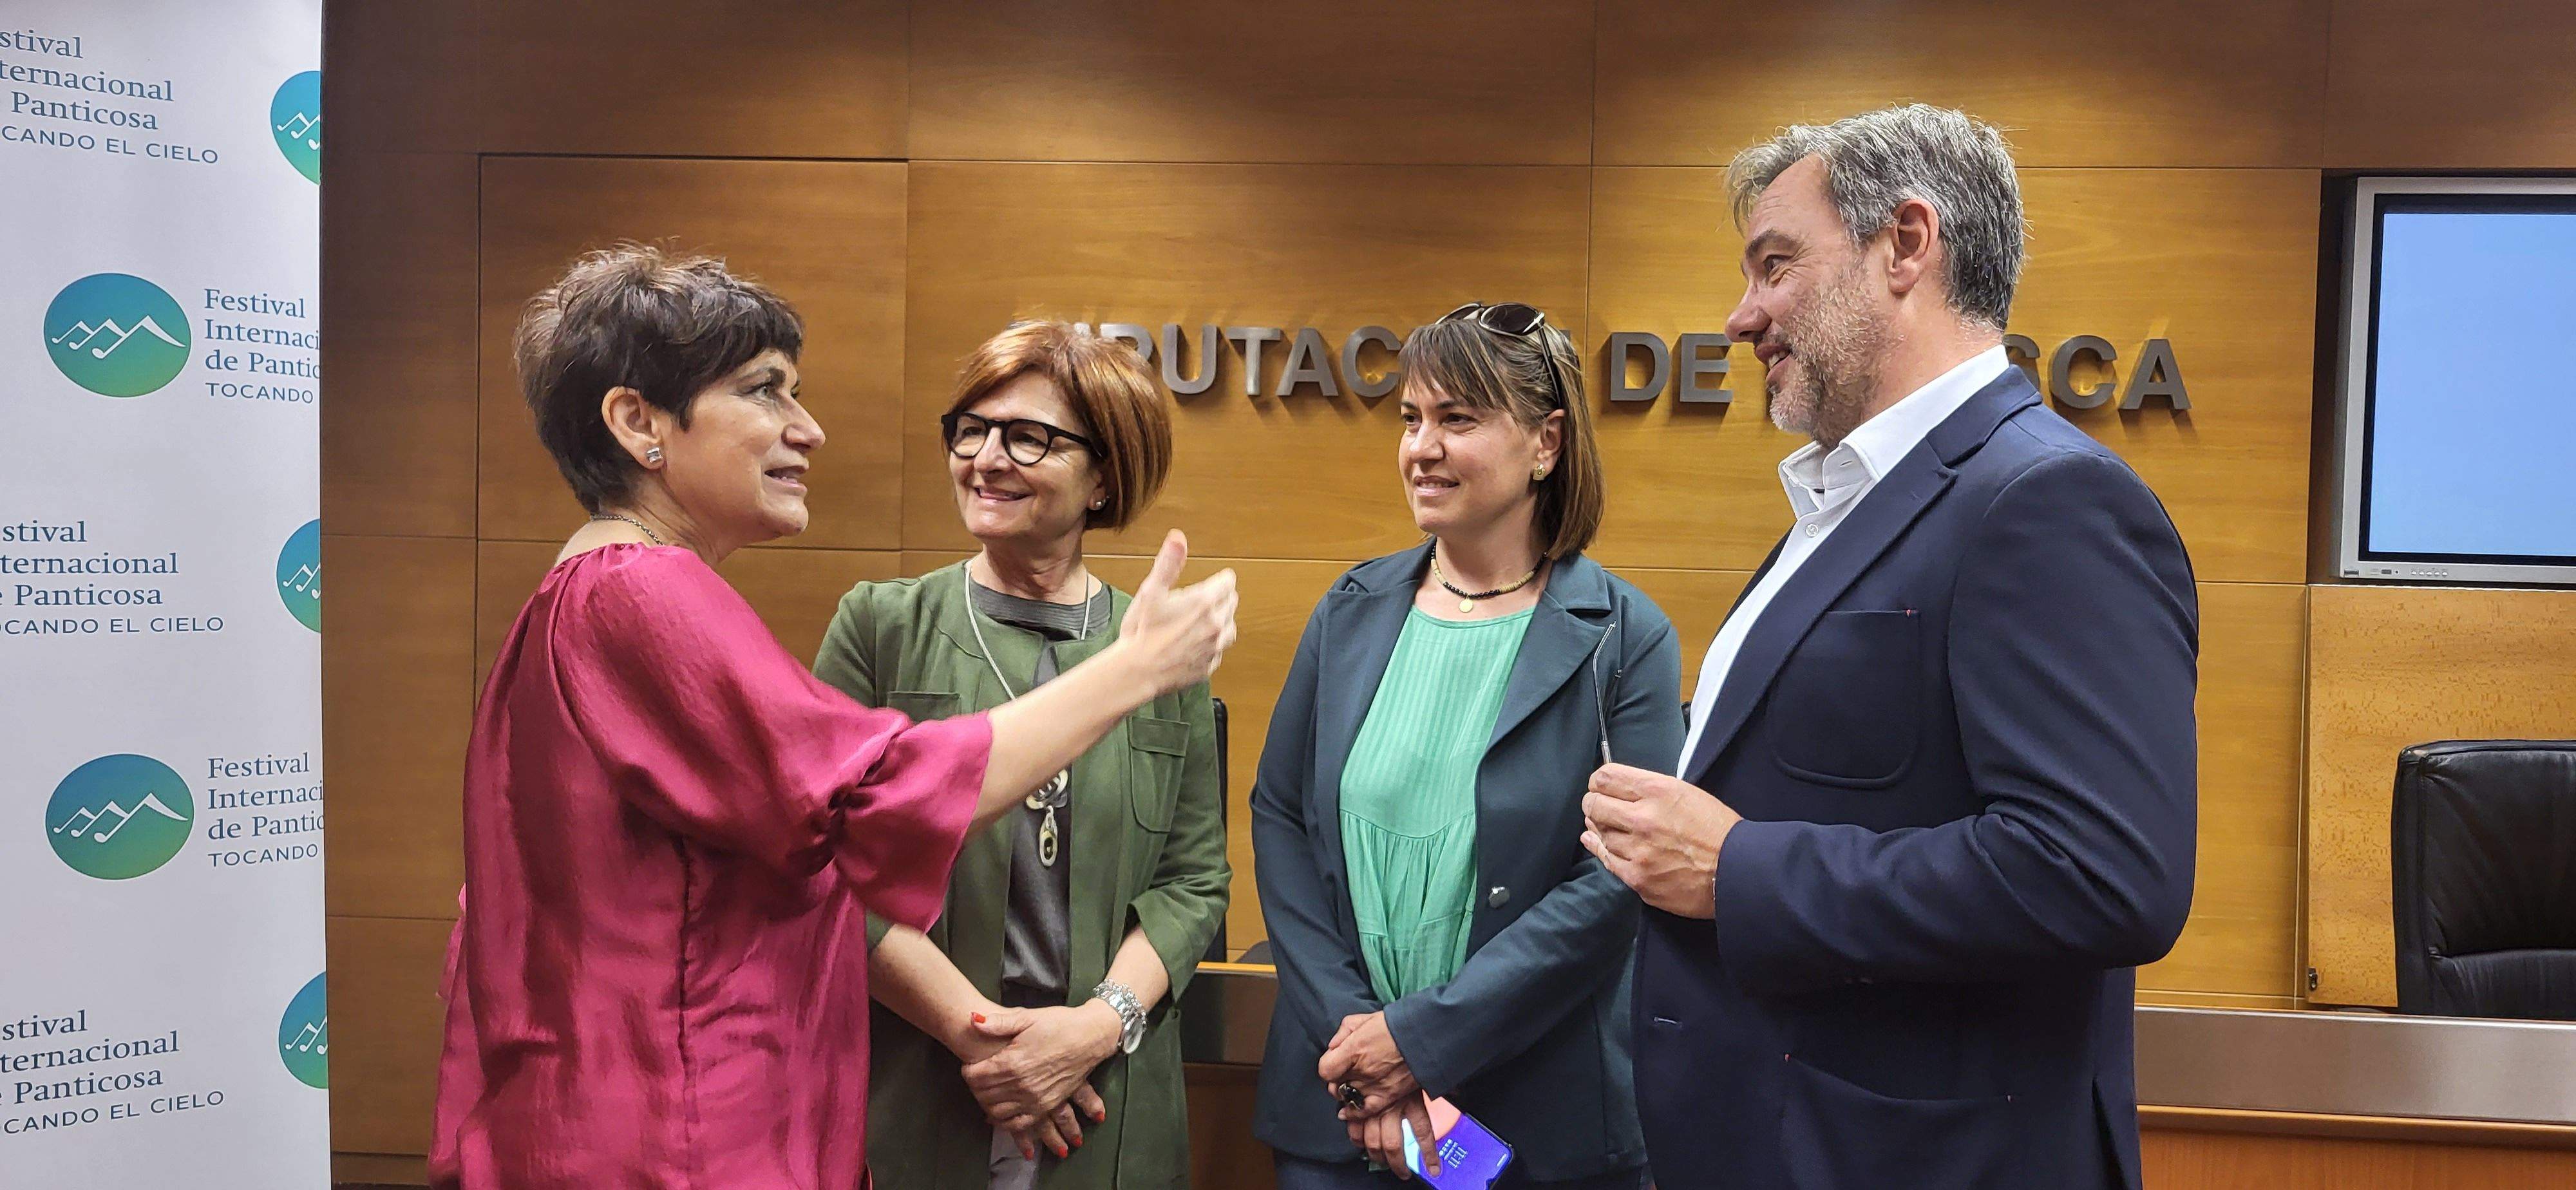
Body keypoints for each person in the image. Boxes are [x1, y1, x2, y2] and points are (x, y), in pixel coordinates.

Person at [428, 247, 1238, 1190]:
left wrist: (1096, 1026)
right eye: (766, 392)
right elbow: (867, 808)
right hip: (675, 1130)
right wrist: (1131, 671)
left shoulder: (602, 590)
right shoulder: (636, 593)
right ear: (638, 422)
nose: (807, 429)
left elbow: (1192, 880)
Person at [1578, 106, 2198, 1189]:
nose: (1740, 317)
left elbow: (2103, 875)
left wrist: (1741, 869)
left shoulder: (2048, 498)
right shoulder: (1847, 507)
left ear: (1908, 243)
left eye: (1775, 266)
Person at [1251, 301, 1681, 1189]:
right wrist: (1363, 1051)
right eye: (1411, 418)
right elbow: (1282, 818)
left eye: (1458, 419)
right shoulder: (1350, 609)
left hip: (1529, 1121)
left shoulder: (1624, 637)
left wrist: (1419, 1044)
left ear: (1547, 444)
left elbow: (1618, 882)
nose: (1421, 447)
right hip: (1345, 1112)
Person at [813, 321, 1228, 1190]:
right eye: (970, 429)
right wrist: (990, 1043)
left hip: (1105, 1102)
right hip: (925, 1086)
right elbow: (826, 873)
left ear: (1104, 475)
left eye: (1028, 437)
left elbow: (1193, 884)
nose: (986, 459)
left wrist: (1092, 1030)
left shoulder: (1152, 647)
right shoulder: (882, 627)